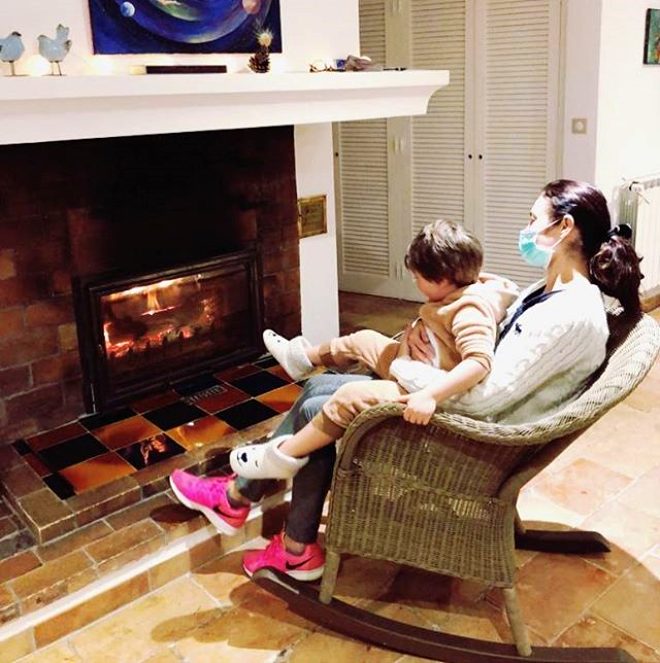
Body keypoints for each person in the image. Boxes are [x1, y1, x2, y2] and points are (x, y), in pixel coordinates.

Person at [170, 179, 644, 581]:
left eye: (533, 217)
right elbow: (497, 333)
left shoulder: (571, 315)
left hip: (472, 438)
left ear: (564, 227)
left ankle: (276, 532)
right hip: (458, 401)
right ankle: (248, 505)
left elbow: (484, 400)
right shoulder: (554, 289)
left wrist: (403, 364)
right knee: (318, 387)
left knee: (321, 406)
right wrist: (429, 332)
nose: (526, 227)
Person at [228, 219, 518, 480]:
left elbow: (479, 361)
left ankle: (282, 457)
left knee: (348, 397)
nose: (415, 282)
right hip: (418, 367)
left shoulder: (470, 309)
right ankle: (301, 359)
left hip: (426, 387)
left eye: (418, 277)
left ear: (442, 279)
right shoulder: (459, 290)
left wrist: (430, 395)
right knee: (363, 339)